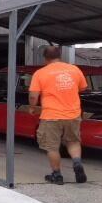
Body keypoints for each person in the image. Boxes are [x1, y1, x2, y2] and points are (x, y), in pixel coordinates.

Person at [29, 46, 88, 185]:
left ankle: (57, 175)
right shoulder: (74, 69)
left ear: (45, 58)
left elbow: (33, 95)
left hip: (51, 116)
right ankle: (77, 163)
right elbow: (83, 87)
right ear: (60, 55)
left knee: (52, 147)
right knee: (73, 141)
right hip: (73, 114)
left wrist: (32, 107)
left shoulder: (40, 73)